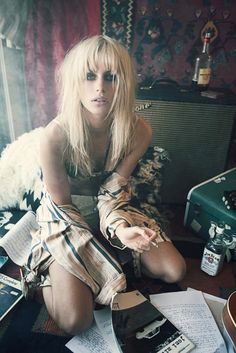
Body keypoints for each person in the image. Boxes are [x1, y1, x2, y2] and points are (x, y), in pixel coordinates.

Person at [22, 35, 186, 335]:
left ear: (123, 82)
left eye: (111, 77)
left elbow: (113, 193)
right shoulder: (53, 137)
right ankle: (44, 273)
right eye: (89, 76)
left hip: (110, 209)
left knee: (175, 269)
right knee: (75, 321)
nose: (100, 87)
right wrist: (94, 254)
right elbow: (62, 207)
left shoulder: (139, 131)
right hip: (66, 219)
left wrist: (121, 231)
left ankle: (101, 259)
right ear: (75, 82)